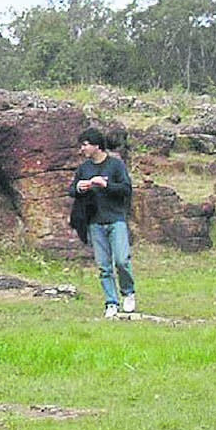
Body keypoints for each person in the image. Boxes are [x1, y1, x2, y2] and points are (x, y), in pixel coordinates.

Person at [70, 128, 136, 318]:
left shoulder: (115, 165)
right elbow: (72, 190)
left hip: (116, 220)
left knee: (122, 260)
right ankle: (111, 302)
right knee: (103, 266)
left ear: (96, 145)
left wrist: (106, 185)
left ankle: (128, 292)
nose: (82, 149)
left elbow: (126, 189)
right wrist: (80, 187)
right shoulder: (84, 168)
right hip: (94, 222)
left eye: (85, 145)